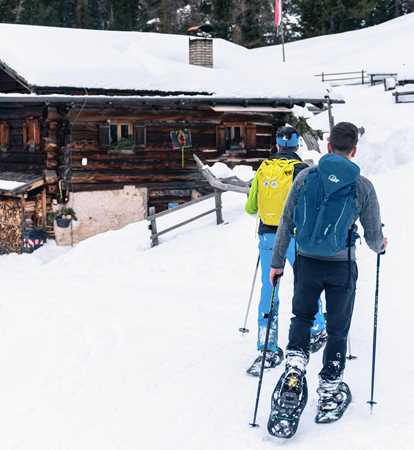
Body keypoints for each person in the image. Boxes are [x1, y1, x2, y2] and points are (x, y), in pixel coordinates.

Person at [267, 122, 387, 437]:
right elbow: (374, 237)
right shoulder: (362, 186)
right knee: (337, 328)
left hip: (306, 262)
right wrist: (381, 245)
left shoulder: (305, 177)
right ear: (354, 150)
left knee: (302, 316)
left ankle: (294, 367)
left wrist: (277, 262)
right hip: (341, 266)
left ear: (328, 146)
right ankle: (330, 389)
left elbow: (287, 221)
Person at [244, 126, 327, 377]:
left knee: (269, 290)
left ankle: (267, 347)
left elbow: (250, 207)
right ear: (296, 145)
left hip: (269, 235)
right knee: (306, 284)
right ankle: (316, 328)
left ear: (277, 145)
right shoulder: (302, 169)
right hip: (297, 237)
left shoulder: (264, 168)